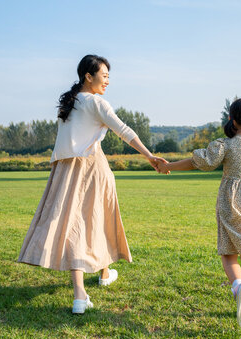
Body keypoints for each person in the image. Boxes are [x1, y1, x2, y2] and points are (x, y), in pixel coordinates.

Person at [18, 54, 167, 314]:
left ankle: (101, 275)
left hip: (64, 170)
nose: (108, 81)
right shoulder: (96, 103)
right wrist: (150, 156)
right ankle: (80, 293)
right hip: (90, 167)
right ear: (89, 76)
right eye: (104, 75)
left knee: (77, 224)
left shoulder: (71, 103)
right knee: (91, 222)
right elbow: (125, 131)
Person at [157, 98, 241, 329]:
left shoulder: (224, 144)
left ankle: (239, 287)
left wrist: (168, 165)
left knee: (228, 251)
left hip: (231, 201)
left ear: (231, 120)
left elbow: (197, 162)